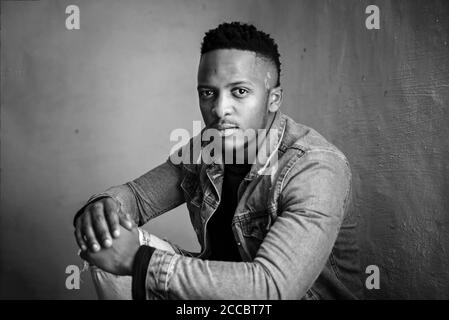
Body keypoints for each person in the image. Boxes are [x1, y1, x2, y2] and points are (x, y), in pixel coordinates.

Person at [74, 22, 363, 300]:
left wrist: (141, 262)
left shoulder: (315, 167)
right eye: (208, 93)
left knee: (132, 258)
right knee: (106, 238)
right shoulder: (206, 147)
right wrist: (103, 207)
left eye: (239, 91)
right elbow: (137, 197)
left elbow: (274, 289)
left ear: (273, 99)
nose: (219, 109)